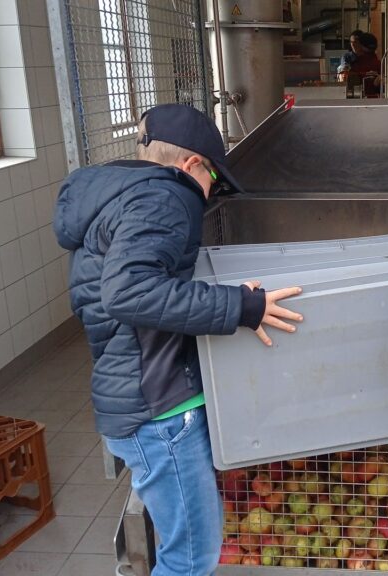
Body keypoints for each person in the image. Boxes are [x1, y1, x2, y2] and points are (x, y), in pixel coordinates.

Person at [53, 104, 304, 575]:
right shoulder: (166, 198)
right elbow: (129, 292)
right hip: (161, 413)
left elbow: (136, 285)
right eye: (213, 177)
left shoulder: (122, 194)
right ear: (192, 164)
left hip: (139, 397)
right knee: (191, 558)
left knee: (186, 549)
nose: (211, 193)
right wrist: (241, 308)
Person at [337, 30, 382, 97]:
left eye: (356, 42)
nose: (354, 45)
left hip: (363, 98)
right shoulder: (348, 59)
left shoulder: (373, 62)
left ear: (361, 45)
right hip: (365, 97)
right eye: (352, 42)